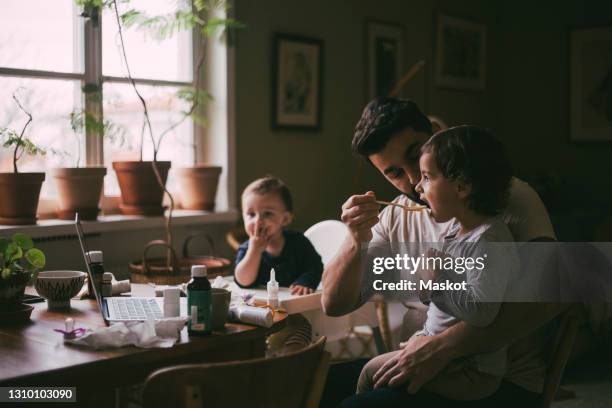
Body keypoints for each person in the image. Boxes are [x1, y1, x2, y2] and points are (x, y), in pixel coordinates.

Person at [321, 97, 564, 406]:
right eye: (394, 173)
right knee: (313, 386)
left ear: (436, 133)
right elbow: (334, 302)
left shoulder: (504, 196)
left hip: (495, 381)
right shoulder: (397, 215)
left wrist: (442, 347)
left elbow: (553, 293)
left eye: (415, 156)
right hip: (417, 363)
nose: (412, 181)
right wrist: (356, 239)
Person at [357, 126, 519, 401]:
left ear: (462, 187)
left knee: (372, 373)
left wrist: (436, 283)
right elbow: (442, 296)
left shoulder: (490, 239)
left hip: (471, 370)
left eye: (427, 177)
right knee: (372, 373)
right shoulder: (456, 231)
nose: (417, 186)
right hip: (441, 352)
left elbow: (482, 311)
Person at [235, 176, 323, 353]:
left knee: (300, 332)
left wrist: (305, 281)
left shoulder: (298, 243)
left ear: (286, 218)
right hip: (257, 316)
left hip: (293, 317)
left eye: (267, 213)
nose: (258, 221)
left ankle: (289, 363)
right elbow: (243, 281)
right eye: (251, 214)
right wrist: (255, 251)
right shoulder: (247, 248)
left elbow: (315, 266)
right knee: (243, 340)